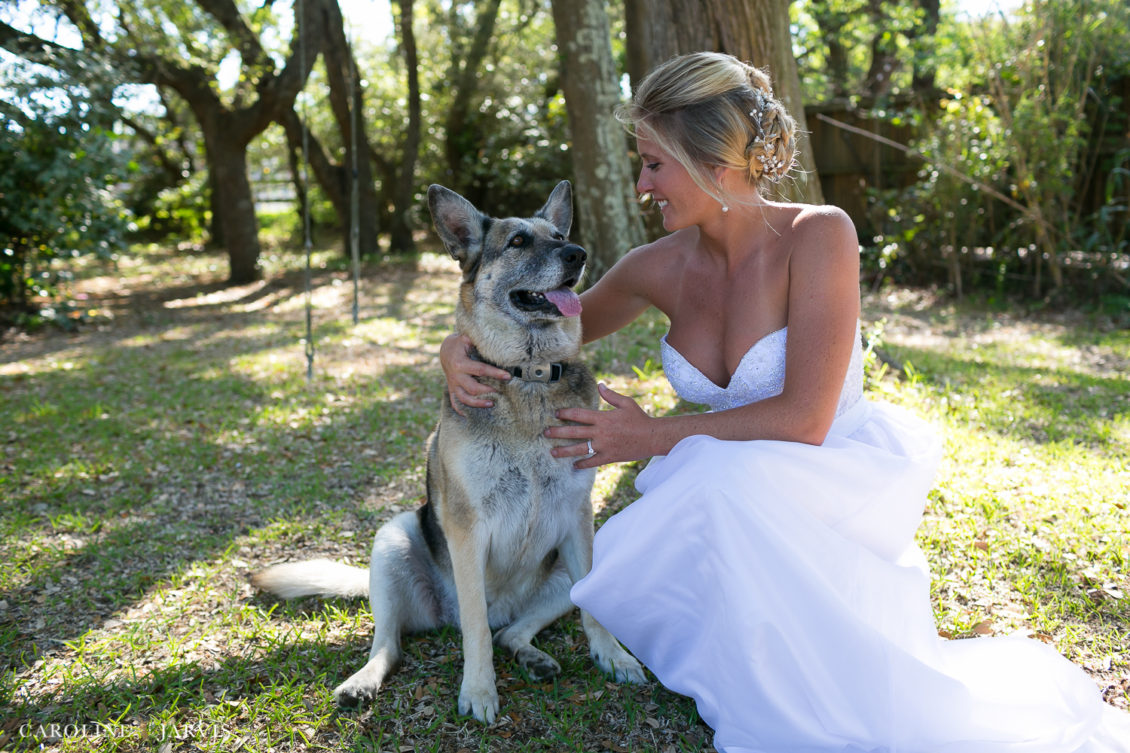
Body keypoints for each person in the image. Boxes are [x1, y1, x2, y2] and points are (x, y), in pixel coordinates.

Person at [440, 51, 1130, 753]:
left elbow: (807, 417)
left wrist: (652, 435)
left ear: (711, 157)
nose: (643, 185)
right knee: (694, 494)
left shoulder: (820, 234)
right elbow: (542, 318)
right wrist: (455, 350)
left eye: (654, 163)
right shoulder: (657, 266)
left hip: (829, 478)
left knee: (708, 479)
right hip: (732, 489)